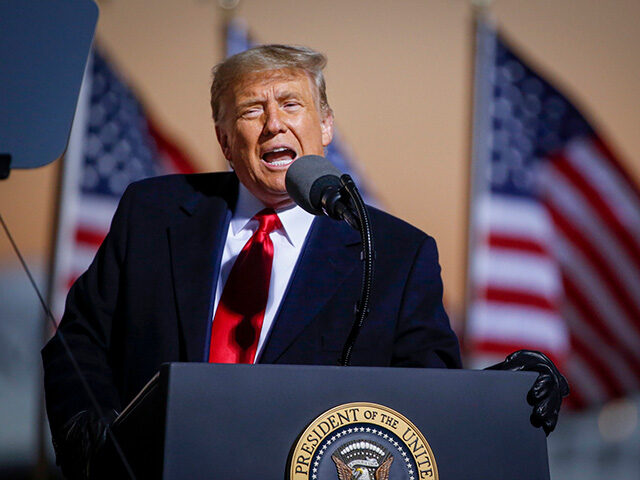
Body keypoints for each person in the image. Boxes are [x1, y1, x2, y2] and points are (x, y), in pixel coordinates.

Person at [42, 44, 567, 479]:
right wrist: (93, 436)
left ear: (326, 126)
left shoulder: (395, 255)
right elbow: (78, 340)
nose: (274, 125)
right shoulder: (153, 213)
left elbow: (426, 395)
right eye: (251, 110)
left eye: (292, 105)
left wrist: (506, 389)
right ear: (225, 139)